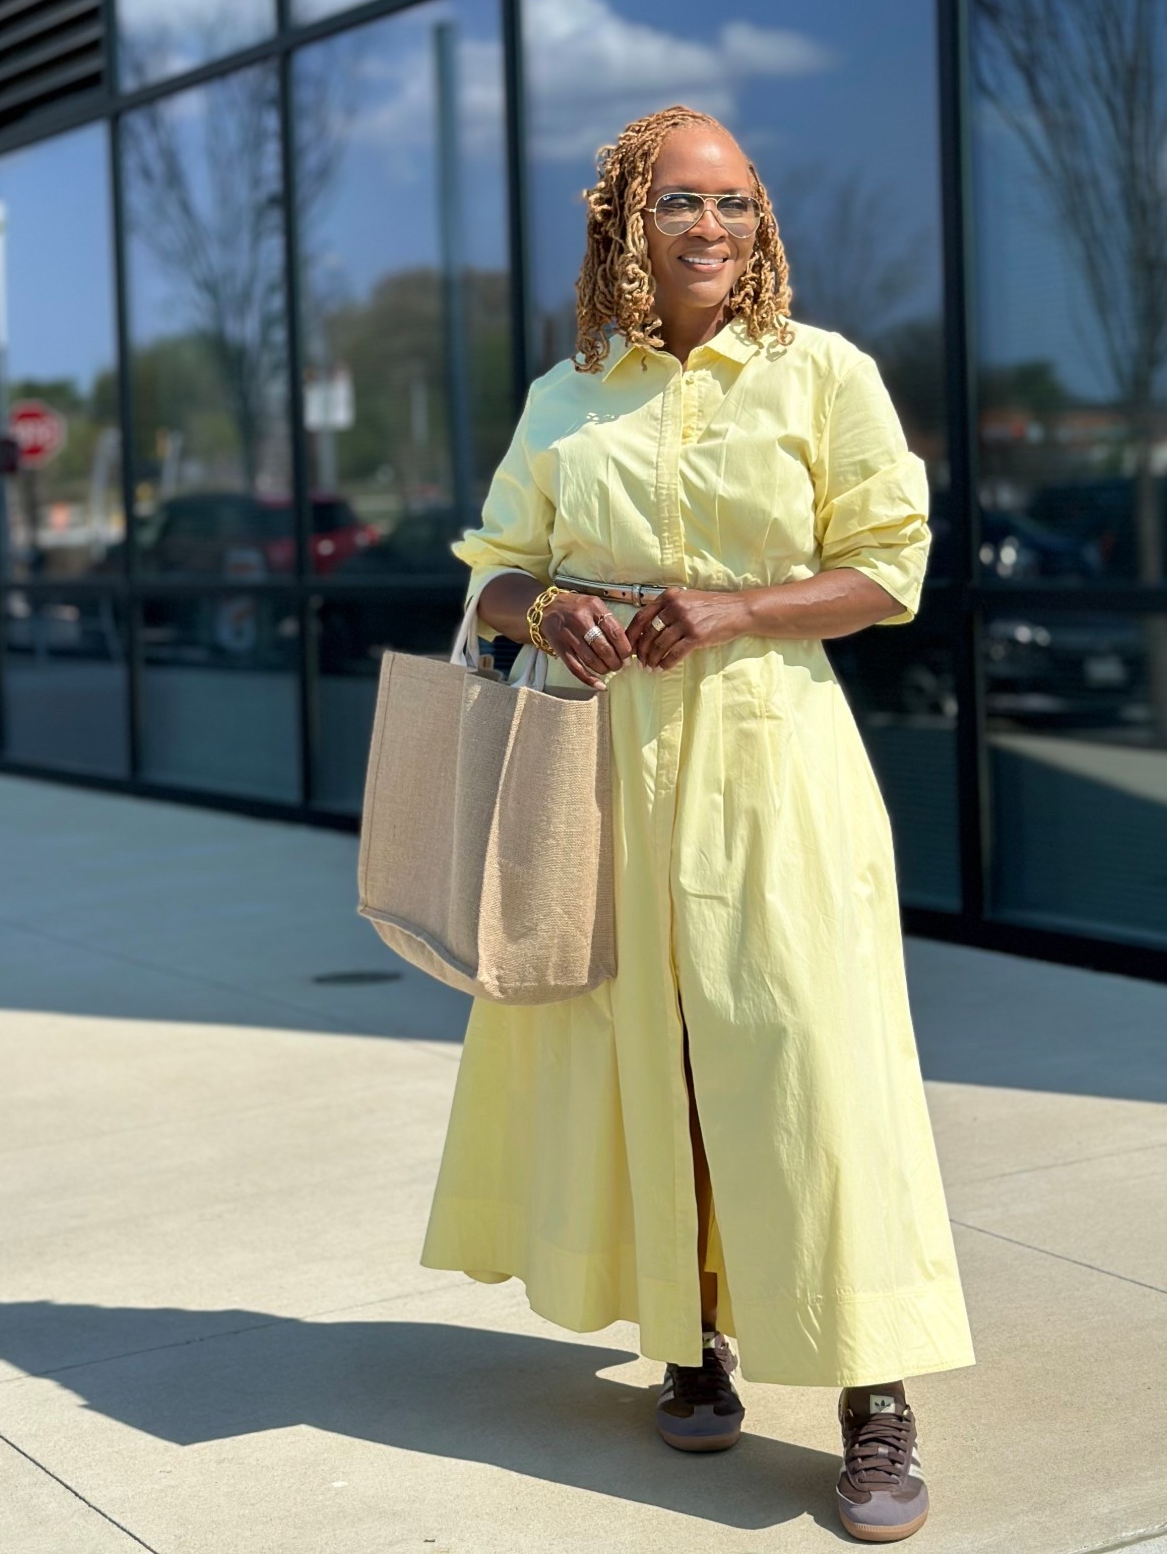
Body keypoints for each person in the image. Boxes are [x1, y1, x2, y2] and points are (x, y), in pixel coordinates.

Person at [421, 103, 974, 1541]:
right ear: (627, 222)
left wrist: (735, 607)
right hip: (602, 768)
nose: (713, 226)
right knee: (647, 1055)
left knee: (811, 1064)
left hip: (774, 763)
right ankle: (690, 1338)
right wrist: (549, 607)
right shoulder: (568, 396)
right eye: (680, 201)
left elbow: (891, 567)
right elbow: (490, 570)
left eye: (734, 201)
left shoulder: (822, 374)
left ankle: (874, 1391)